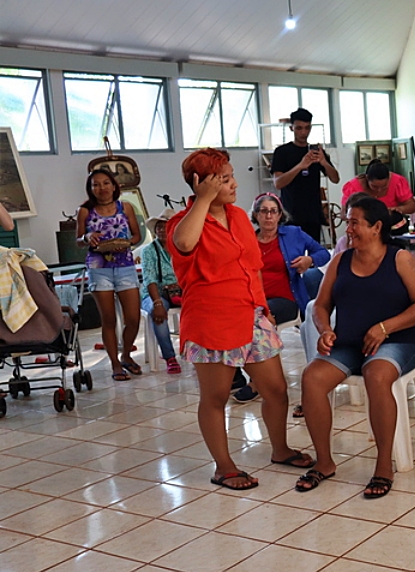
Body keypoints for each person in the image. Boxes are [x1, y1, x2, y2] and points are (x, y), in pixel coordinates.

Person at [167, 148, 313, 491]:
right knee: (216, 397)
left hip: (252, 315)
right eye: (226, 178)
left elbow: (254, 268)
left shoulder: (237, 218)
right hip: (212, 320)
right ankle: (224, 466)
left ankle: (279, 449)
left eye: (232, 176)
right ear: (202, 184)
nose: (235, 184)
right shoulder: (183, 222)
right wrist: (202, 200)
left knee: (275, 389)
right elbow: (185, 243)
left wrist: (262, 309)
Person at [297, 195, 415, 495]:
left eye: (355, 223)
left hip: (398, 341)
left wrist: (385, 328)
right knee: (312, 378)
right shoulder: (340, 261)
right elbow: (320, 305)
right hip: (349, 343)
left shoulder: (400, 259)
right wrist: (325, 329)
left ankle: (384, 464)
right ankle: (324, 461)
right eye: (348, 223)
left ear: (376, 227)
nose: (349, 229)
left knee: (376, 374)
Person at [232, 193, 331, 403]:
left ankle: (257, 381)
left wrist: (309, 260)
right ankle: (235, 374)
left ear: (280, 215)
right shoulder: (246, 239)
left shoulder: (293, 234)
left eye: (273, 211)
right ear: (256, 215)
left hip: (286, 297)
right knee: (231, 317)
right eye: (263, 211)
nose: (268, 216)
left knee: (258, 319)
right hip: (252, 298)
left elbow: (324, 253)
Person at [76, 169, 143, 382]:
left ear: (114, 186)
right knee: (109, 320)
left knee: (133, 318)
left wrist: (124, 243)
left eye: (106, 183)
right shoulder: (85, 211)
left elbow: (137, 236)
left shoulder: (126, 208)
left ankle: (126, 355)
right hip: (99, 268)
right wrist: (87, 237)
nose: (101, 188)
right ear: (90, 188)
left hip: (125, 265)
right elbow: (78, 240)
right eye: (96, 184)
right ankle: (115, 363)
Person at [271, 107, 340, 242]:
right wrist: (301, 166)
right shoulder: (282, 152)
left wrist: (324, 162)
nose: (303, 132)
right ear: (292, 128)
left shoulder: (316, 152)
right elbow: (278, 183)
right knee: (292, 256)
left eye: (307, 128)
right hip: (290, 214)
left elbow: (335, 179)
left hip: (313, 215)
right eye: (299, 128)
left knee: (312, 257)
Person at [140, 208, 182, 374]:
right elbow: (150, 279)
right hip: (156, 293)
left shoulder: (181, 246)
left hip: (180, 291)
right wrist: (157, 302)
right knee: (158, 313)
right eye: (158, 227)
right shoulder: (149, 251)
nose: (162, 230)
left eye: (166, 226)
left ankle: (197, 352)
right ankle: (170, 357)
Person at [341, 160, 415, 217]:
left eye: (384, 186)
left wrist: (398, 209)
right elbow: (344, 214)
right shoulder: (353, 187)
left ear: (389, 178)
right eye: (375, 186)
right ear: (367, 178)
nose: (379, 190)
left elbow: (412, 206)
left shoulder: (397, 182)